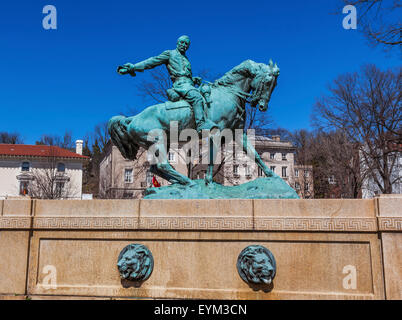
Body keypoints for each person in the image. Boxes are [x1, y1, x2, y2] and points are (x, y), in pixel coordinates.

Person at [118, 35, 217, 132]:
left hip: (188, 84)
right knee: (197, 97)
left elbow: (184, 74)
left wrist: (193, 79)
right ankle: (201, 125)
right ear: (177, 43)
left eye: (186, 44)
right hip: (180, 85)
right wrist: (133, 67)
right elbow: (152, 61)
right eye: (182, 42)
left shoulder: (186, 59)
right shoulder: (170, 54)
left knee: (206, 92)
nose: (184, 45)